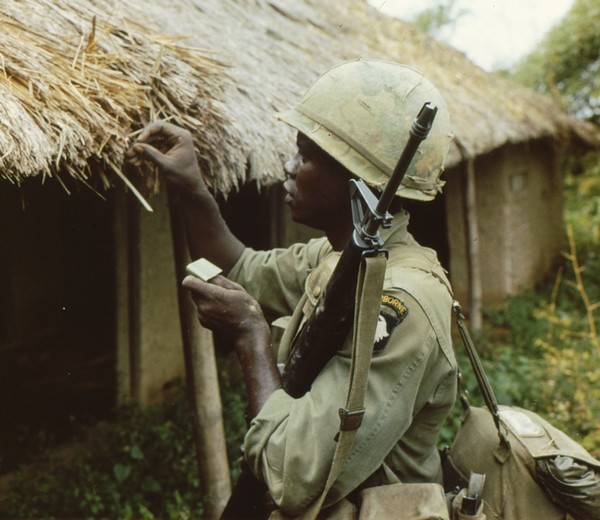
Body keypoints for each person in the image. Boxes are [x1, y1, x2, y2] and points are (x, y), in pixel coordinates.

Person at [125, 58, 457, 516]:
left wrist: (250, 338)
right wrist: (191, 185)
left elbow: (290, 472)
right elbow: (241, 265)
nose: (287, 165)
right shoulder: (339, 257)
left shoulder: (403, 304)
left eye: (305, 156)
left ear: (357, 184)